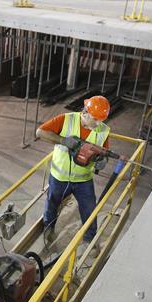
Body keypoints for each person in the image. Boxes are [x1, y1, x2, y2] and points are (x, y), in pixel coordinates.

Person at [35, 96, 112, 253]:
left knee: (90, 209)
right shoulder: (66, 120)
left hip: (84, 180)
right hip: (60, 177)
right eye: (96, 119)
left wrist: (102, 161)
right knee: (52, 203)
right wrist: (63, 141)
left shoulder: (103, 130)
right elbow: (40, 132)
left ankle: (90, 239)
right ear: (86, 113)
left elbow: (103, 152)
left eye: (101, 120)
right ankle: (48, 230)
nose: (99, 124)